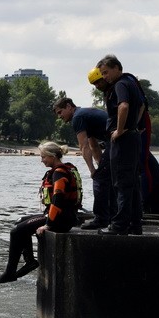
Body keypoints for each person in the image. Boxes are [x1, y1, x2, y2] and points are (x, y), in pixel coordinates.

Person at [0, 141, 81, 284]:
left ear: (52, 156)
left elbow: (58, 200)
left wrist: (48, 225)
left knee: (16, 232)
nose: (42, 160)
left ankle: (9, 273)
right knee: (20, 221)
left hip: (61, 219)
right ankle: (30, 261)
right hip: (61, 215)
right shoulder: (61, 170)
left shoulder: (59, 173)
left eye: (43, 157)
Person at [96, 54, 145, 235]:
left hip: (123, 141)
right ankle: (135, 224)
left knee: (121, 184)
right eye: (102, 74)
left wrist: (119, 129)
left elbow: (124, 106)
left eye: (106, 72)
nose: (105, 77)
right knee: (132, 184)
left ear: (117, 68)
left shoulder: (120, 84)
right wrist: (133, 127)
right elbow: (140, 106)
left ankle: (119, 225)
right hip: (132, 138)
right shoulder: (131, 83)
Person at [54, 80, 111, 229]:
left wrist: (93, 171)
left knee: (99, 181)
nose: (60, 116)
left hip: (117, 141)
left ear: (68, 107)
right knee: (108, 178)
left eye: (60, 112)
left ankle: (101, 218)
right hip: (118, 142)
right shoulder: (84, 114)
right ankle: (112, 214)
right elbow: (93, 145)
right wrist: (98, 165)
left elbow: (83, 146)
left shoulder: (77, 117)